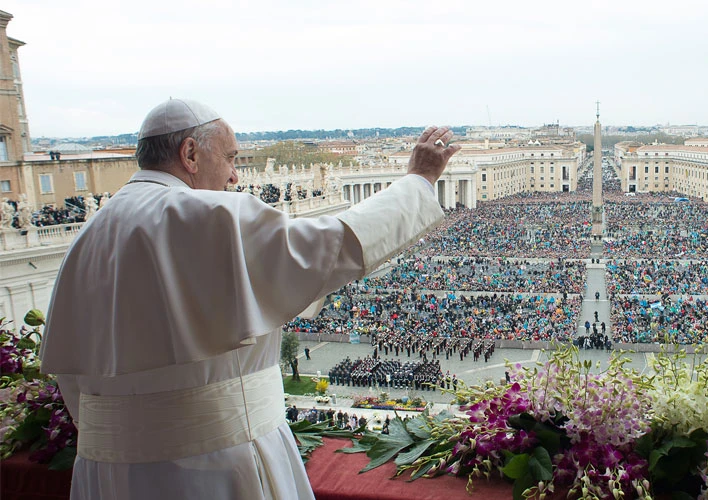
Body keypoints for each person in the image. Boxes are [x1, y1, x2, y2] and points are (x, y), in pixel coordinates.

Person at [38, 98, 461, 500]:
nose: (235, 176)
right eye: (232, 158)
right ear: (190, 154)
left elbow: (75, 381)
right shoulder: (209, 216)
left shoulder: (90, 236)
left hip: (108, 474)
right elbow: (333, 246)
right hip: (215, 463)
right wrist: (418, 182)